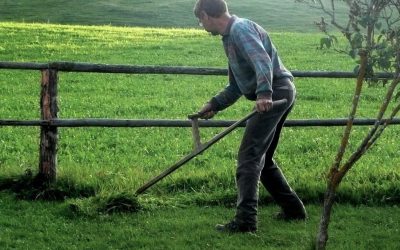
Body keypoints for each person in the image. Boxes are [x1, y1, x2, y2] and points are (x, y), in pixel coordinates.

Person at [193, 0, 307, 233]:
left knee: (248, 157)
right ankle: (294, 210)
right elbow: (236, 85)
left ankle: (245, 222)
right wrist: (214, 104)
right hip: (279, 91)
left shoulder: (240, 29)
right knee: (263, 159)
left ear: (206, 15)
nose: (200, 25)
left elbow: (262, 61)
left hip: (275, 94)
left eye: (199, 20)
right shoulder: (230, 37)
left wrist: (264, 94)